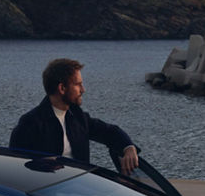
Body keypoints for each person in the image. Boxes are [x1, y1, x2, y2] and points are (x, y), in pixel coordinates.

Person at [9, 58, 139, 175]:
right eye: (78, 84)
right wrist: (43, 164)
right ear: (62, 88)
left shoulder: (77, 116)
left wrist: (128, 148)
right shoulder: (30, 123)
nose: (83, 90)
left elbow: (109, 132)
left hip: (78, 190)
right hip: (45, 195)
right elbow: (15, 167)